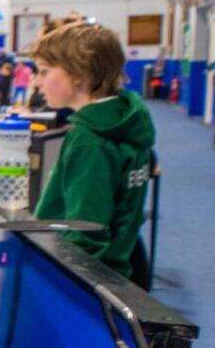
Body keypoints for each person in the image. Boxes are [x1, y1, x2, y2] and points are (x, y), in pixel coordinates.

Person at [30, 22, 155, 283]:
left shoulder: (90, 139)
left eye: (44, 72)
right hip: (121, 271)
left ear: (80, 73)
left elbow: (85, 234)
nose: (36, 82)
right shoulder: (125, 121)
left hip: (92, 284)